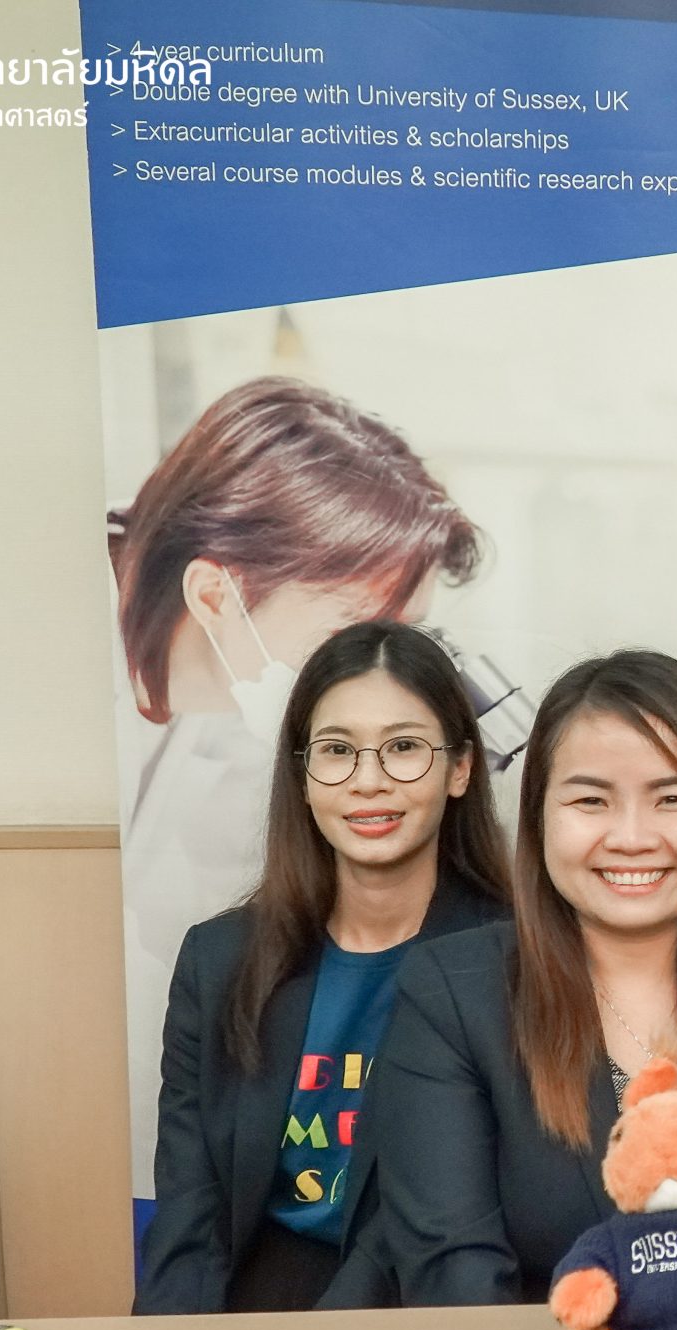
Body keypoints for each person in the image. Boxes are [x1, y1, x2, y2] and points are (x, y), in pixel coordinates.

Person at [331, 649, 677, 1307]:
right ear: (539, 815)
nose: (631, 837)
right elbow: (456, 1283)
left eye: (672, 798)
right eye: (590, 800)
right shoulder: (453, 995)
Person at [108, 376, 484, 1206]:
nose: (380, 670)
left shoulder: (228, 713)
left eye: (405, 635)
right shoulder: (83, 693)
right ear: (215, 597)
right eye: (350, 632)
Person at [136, 620, 509, 1314]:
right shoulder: (218, 962)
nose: (369, 781)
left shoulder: (511, 962)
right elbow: (190, 1216)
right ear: (303, 775)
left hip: (429, 1303)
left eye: (404, 747)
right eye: (337, 751)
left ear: (460, 769)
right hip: (259, 1296)